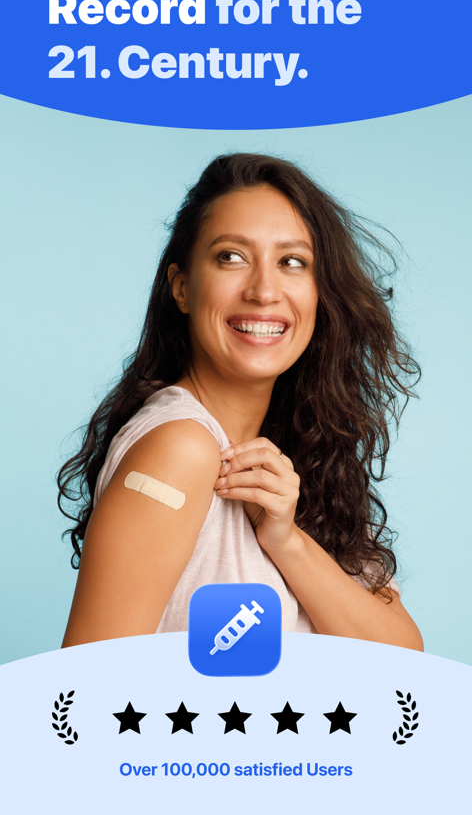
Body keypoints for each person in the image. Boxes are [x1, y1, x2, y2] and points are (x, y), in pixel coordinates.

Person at [58, 153, 423, 650]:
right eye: (231, 256)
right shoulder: (180, 449)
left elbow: (403, 658)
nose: (264, 290)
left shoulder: (300, 455)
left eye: (292, 262)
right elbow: (85, 690)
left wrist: (287, 540)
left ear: (321, 294)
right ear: (182, 287)